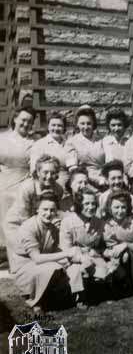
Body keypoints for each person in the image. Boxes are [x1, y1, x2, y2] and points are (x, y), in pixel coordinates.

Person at [13, 194, 78, 312]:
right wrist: (66, 254)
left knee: (67, 266)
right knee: (55, 267)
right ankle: (34, 299)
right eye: (45, 209)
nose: (49, 213)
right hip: (24, 266)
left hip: (39, 263)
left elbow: (54, 249)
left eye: (52, 210)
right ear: (37, 209)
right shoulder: (28, 227)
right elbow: (37, 258)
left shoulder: (51, 226)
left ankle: (47, 296)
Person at [5, 155, 63, 272]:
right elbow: (24, 216)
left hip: (40, 221)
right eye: (45, 172)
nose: (49, 177)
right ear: (37, 172)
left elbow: (55, 210)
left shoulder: (58, 189)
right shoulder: (28, 187)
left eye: (53, 173)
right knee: (23, 262)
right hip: (18, 223)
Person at [60, 189, 108, 305]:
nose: (91, 207)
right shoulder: (67, 222)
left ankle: (101, 292)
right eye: (86, 203)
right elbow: (66, 249)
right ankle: (79, 297)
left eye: (93, 204)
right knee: (78, 271)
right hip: (73, 258)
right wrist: (81, 255)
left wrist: (95, 252)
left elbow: (101, 245)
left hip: (93, 255)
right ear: (78, 204)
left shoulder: (99, 222)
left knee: (104, 269)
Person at [0, 104, 36, 247]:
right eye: (23, 120)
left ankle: (18, 250)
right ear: (15, 119)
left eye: (30, 122)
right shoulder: (1, 139)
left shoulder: (33, 142)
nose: (26, 124)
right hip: (3, 182)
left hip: (22, 184)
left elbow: (34, 167)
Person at [103, 190, 133, 292]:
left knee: (128, 255)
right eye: (116, 207)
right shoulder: (107, 224)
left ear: (128, 207)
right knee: (122, 258)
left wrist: (127, 245)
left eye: (123, 207)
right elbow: (110, 247)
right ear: (110, 208)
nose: (120, 211)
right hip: (117, 258)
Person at [65, 105, 106, 191]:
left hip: (104, 180)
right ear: (77, 124)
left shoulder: (101, 140)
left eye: (89, 123)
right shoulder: (71, 142)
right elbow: (74, 170)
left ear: (93, 123)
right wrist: (96, 179)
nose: (86, 127)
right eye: (82, 124)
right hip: (84, 182)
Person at [30, 112, 68, 189]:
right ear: (48, 127)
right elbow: (34, 170)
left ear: (64, 128)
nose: (56, 128)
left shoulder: (69, 144)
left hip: (66, 188)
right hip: (47, 187)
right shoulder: (39, 144)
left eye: (60, 126)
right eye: (53, 125)